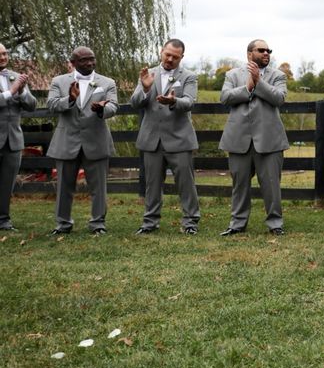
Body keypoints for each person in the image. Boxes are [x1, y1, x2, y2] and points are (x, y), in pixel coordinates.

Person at [219, 40, 289, 236]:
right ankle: (237, 224)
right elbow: (225, 98)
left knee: (272, 185)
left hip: (270, 140)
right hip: (238, 139)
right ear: (250, 53)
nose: (266, 53)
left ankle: (275, 224)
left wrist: (259, 81)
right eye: (261, 50)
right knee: (239, 185)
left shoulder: (278, 75)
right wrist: (248, 87)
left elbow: (279, 98)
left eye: (268, 50)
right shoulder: (232, 75)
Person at [46, 47, 119, 235]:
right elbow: (51, 105)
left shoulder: (107, 82)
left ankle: (98, 224)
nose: (89, 63)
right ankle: (62, 225)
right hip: (66, 141)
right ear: (73, 63)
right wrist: (70, 99)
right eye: (84, 60)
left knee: (99, 188)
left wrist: (102, 109)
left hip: (96, 140)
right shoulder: (59, 81)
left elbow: (113, 106)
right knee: (64, 187)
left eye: (92, 59)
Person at [132, 38, 201, 235]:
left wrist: (173, 101)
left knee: (186, 184)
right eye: (167, 54)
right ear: (161, 51)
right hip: (151, 139)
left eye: (175, 57)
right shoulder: (148, 74)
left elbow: (189, 102)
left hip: (179, 139)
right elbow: (135, 102)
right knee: (152, 184)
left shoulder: (189, 76)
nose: (170, 59)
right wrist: (146, 88)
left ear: (182, 57)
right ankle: (149, 223)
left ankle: (190, 222)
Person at [0, 43, 37, 231]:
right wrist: (11, 91)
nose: (3, 57)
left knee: (7, 183)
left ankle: (3, 220)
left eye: (4, 53)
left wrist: (22, 91)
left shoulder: (15, 77)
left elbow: (32, 105)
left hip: (13, 140)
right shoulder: (13, 84)